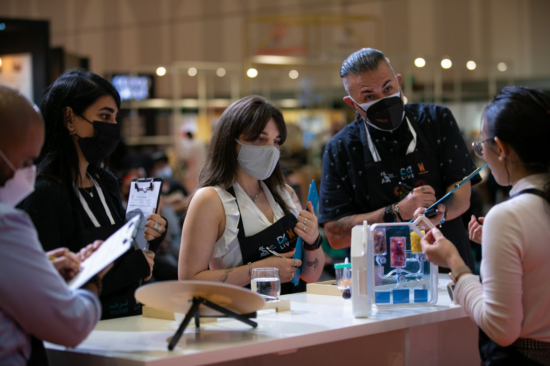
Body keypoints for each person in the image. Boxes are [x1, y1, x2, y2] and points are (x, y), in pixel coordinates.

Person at [19, 69, 168, 320]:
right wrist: (134, 267)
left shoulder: (106, 183)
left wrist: (150, 238)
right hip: (81, 330)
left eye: (114, 118)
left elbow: (126, 251)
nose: (113, 128)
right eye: (104, 116)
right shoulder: (44, 193)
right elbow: (54, 287)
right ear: (69, 118)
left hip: (128, 319)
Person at [421, 86, 550, 365]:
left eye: (482, 145)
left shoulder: (508, 217)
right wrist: (496, 246)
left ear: (501, 148)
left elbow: (501, 329)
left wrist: (455, 263)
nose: (481, 153)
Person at [319, 48, 480, 271]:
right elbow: (335, 235)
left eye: (388, 88)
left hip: (447, 266)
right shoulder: (341, 149)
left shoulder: (436, 120)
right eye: (369, 96)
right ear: (352, 103)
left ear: (399, 82)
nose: (383, 100)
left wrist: (438, 215)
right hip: (376, 278)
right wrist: (396, 212)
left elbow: (462, 193)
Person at [0, 85, 105, 366]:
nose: (28, 173)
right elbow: (70, 324)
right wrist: (91, 278)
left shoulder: (104, 183)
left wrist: (38, 268)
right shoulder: (7, 224)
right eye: (24, 162)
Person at [178, 96, 325, 293]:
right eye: (259, 138)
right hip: (243, 316)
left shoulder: (285, 194)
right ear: (231, 140)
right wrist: (259, 271)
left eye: (276, 141)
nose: (270, 149)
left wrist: (314, 239)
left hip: (295, 314)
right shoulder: (210, 200)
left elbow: (310, 275)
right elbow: (189, 281)